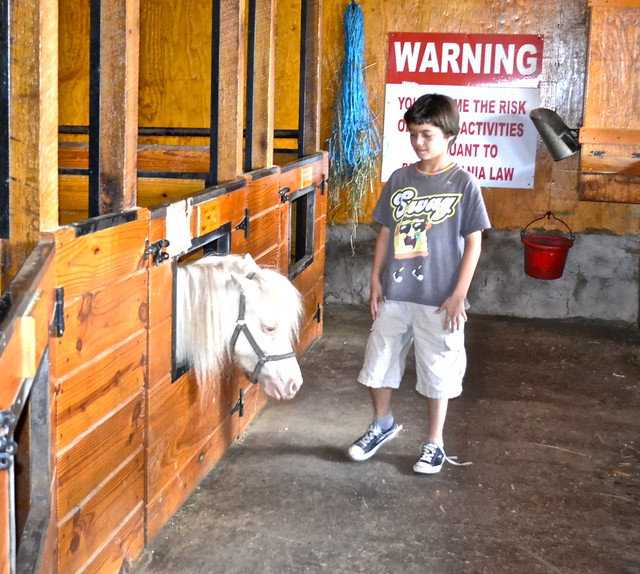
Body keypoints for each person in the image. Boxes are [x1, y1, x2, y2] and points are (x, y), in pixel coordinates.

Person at [347, 93, 491, 474]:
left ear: (449, 135)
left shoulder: (463, 183)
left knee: (438, 370)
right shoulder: (400, 178)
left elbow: (474, 240)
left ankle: (434, 443)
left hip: (439, 299)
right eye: (413, 134)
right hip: (395, 293)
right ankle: (382, 425)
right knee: (378, 362)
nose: (419, 143)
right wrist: (375, 280)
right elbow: (385, 232)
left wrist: (459, 294)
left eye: (426, 134)